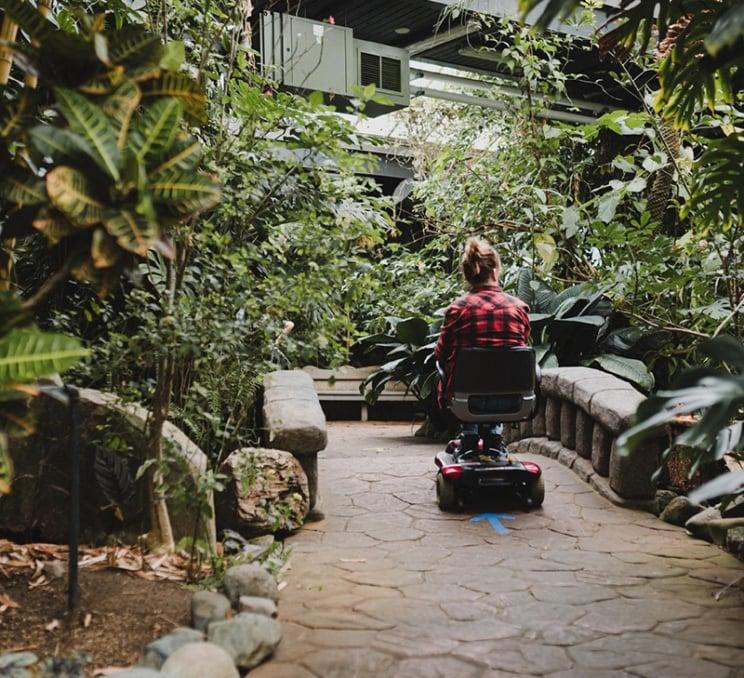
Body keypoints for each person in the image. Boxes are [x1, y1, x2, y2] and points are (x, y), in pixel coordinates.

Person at [434, 236, 531, 453]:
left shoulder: (456, 310)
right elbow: (520, 347)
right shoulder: (518, 308)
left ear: (468, 275)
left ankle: (469, 438)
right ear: (495, 271)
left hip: (467, 401)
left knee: (463, 376)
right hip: (511, 401)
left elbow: (441, 353)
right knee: (500, 373)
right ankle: (494, 438)